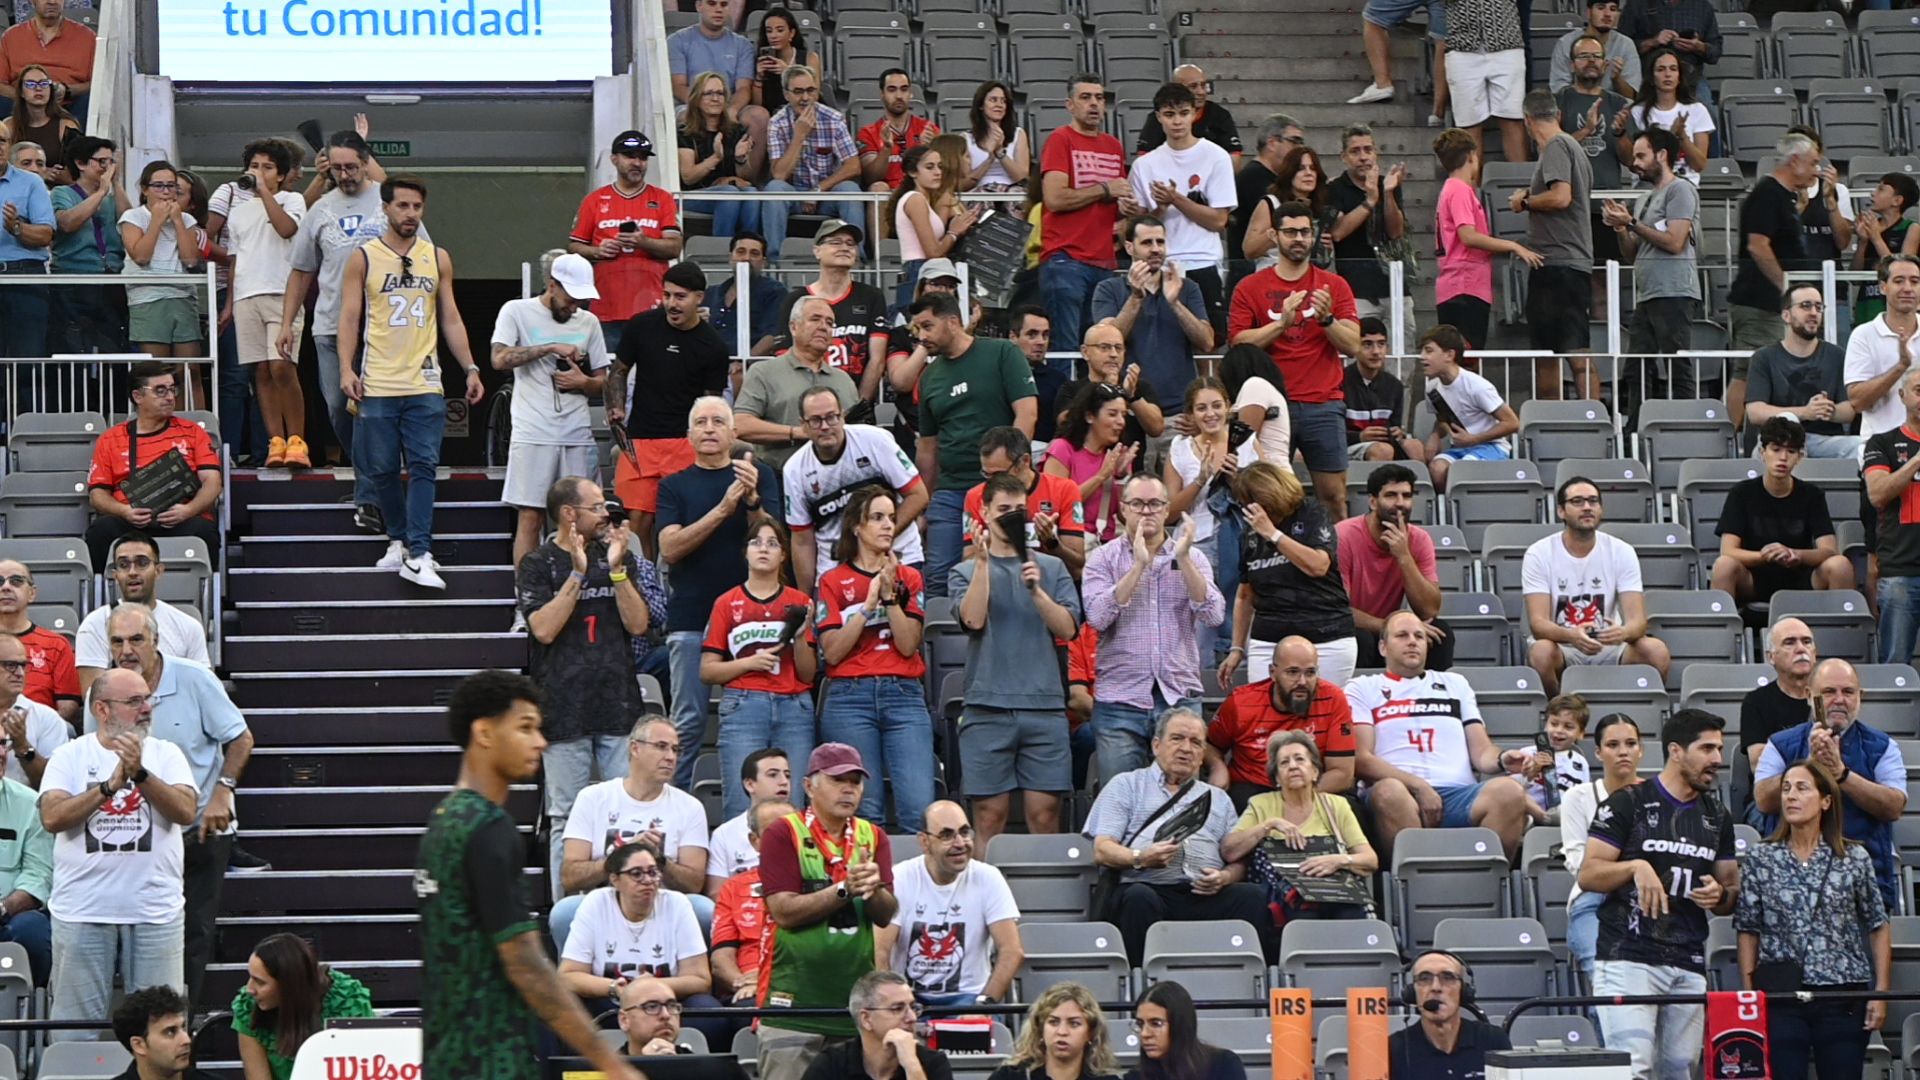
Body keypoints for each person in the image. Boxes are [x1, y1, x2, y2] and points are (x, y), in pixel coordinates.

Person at [415, 671, 644, 1080]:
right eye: (525, 728)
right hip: (491, 1057)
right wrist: (611, 1062)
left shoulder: (442, 822)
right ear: (484, 733)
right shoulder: (489, 828)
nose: (540, 741)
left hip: (444, 1055)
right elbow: (523, 962)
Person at [96, 603, 252, 1008]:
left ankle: (182, 1040)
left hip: (197, 830)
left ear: (156, 640)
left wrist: (224, 789)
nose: (127, 649)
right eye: (117, 641)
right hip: (134, 838)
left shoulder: (194, 679)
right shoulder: (105, 692)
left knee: (193, 938)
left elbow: (241, 738)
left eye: (136, 639)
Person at [336, 176, 482, 591]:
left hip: (424, 379)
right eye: (403, 206)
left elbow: (450, 316)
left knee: (423, 467)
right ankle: (398, 540)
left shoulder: (437, 257)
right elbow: (348, 317)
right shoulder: (363, 257)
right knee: (381, 469)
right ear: (385, 208)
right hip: (378, 378)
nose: (411, 214)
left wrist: (469, 366)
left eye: (417, 207)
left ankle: (420, 551)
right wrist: (346, 369)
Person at [1579, 708, 1739, 1080]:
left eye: (1719, 749)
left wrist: (1719, 894)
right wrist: (1635, 867)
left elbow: (1732, 891)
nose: (1717, 759)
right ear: (1675, 751)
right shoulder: (1627, 802)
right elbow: (1589, 873)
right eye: (1707, 749)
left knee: (1681, 1071)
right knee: (1633, 1069)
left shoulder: (1717, 815)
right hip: (1627, 955)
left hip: (1688, 958)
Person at [519, 476, 661, 885]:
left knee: (628, 808)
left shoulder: (614, 555)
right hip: (562, 705)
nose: (606, 514)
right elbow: (543, 630)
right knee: (566, 814)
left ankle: (626, 899)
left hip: (617, 701)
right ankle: (568, 918)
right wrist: (578, 576)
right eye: (596, 507)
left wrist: (616, 571)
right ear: (569, 514)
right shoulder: (537, 563)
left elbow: (638, 625)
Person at [39, 666, 196, 1034]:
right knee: (74, 1030)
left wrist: (140, 774)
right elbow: (53, 817)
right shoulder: (69, 755)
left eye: (147, 698)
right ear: (102, 710)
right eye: (134, 701)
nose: (147, 708)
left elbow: (185, 811)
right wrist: (109, 786)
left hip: (155, 912)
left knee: (161, 1031)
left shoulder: (166, 753)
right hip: (82, 912)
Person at [1736, 760, 1891, 1080]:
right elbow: (1748, 928)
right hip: (1781, 995)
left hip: (1843, 995)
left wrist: (1881, 991)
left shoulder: (1854, 858)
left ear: (1825, 801)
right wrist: (1749, 993)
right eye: (1786, 788)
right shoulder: (1761, 857)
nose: (1791, 796)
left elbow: (1877, 923)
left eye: (1802, 788)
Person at [655, 398, 781, 786]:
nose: (709, 429)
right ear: (689, 435)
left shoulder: (759, 474)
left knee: (757, 719)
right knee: (688, 722)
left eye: (718, 421)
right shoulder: (673, 485)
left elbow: (775, 538)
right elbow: (670, 548)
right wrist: (724, 508)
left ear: (734, 432)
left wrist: (753, 501)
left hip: (754, 617)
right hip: (692, 616)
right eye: (701, 422)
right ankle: (671, 814)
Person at [1084, 709, 1273, 965]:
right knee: (1138, 898)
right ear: (1156, 745)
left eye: (1196, 742)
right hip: (1149, 887)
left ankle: (1252, 983)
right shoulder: (1126, 785)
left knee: (1254, 896)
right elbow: (1102, 849)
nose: (1186, 748)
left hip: (1204, 893)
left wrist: (1225, 877)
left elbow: (1237, 860)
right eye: (1177, 738)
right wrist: (1140, 857)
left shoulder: (1218, 798)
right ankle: (1141, 986)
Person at [952, 473, 1082, 844]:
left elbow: (1068, 630)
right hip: (986, 705)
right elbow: (973, 620)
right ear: (984, 510)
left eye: (1019, 509)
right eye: (1003, 509)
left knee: (1045, 816)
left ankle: (1045, 900)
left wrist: (1038, 592)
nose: (1012, 516)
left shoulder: (1052, 568)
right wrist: (981, 565)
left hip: (1043, 706)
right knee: (989, 817)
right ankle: (983, 900)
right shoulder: (963, 571)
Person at [756, 745, 898, 1080]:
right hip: (792, 1004)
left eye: (856, 781)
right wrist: (845, 889)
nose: (849, 789)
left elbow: (885, 915)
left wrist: (874, 889)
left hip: (852, 1006)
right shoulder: (783, 832)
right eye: (838, 780)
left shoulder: (873, 835)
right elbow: (784, 912)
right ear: (809, 786)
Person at [1349, 611, 1536, 859]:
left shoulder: (1455, 683)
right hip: (1402, 794)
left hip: (1459, 794)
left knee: (1509, 791)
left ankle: (1485, 886)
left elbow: (1481, 752)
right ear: (1383, 647)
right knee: (1389, 792)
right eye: (1402, 635)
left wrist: (1503, 759)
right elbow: (1362, 759)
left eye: (1419, 636)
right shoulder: (1362, 687)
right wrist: (1419, 787)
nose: (1413, 641)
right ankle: (1416, 888)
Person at [279, 130, 391, 527]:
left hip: (382, 328)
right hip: (327, 324)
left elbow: (423, 257)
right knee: (337, 409)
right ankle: (376, 478)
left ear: (365, 163)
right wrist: (287, 322)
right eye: (337, 167)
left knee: (373, 413)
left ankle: (371, 493)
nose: (345, 174)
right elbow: (300, 271)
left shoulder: (389, 201)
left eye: (351, 166)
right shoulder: (321, 209)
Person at [1084, 475, 1224, 785]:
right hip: (1120, 700)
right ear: (1123, 510)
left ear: (1166, 510)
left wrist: (1184, 559)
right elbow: (1096, 618)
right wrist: (1137, 567)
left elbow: (1214, 615)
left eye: (1155, 504)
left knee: (1181, 799)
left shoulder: (1193, 555)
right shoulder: (1102, 559)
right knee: (1120, 799)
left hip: (1178, 697)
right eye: (1137, 504)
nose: (1146, 511)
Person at [1227, 200, 1361, 521]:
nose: (1298, 238)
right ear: (1274, 236)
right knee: (1266, 495)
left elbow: (1354, 344)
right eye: (1290, 232)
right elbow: (1238, 342)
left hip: (1323, 403)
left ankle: (1334, 565)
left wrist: (1327, 320)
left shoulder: (1335, 285)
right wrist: (1280, 325)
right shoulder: (1250, 287)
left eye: (1304, 231)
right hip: (1272, 406)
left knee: (1334, 495)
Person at [815, 486, 933, 831]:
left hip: (904, 694)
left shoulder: (909, 577)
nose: (887, 526)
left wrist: (890, 597)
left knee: (918, 809)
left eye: (891, 519)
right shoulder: (832, 580)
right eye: (877, 517)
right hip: (849, 696)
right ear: (857, 526)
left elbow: (909, 645)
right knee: (864, 814)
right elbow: (833, 651)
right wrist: (867, 607)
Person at [1753, 658, 1908, 912]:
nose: (1839, 700)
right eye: (1828, 692)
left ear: (1861, 696)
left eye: (1848, 692)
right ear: (1808, 695)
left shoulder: (1883, 746)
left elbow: (1894, 806)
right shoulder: (1780, 744)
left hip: (1863, 887)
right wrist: (1810, 767)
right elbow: (1763, 800)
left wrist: (1842, 775)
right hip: (1790, 886)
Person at [913, 292, 1039, 596]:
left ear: (953, 321)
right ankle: (939, 644)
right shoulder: (929, 377)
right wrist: (922, 503)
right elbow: (928, 448)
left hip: (999, 485)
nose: (921, 336)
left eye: (927, 326)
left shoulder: (1002, 353)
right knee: (939, 577)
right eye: (916, 329)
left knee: (1009, 571)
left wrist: (1011, 476)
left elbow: (1027, 413)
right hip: (951, 489)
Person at [609, 263, 736, 559]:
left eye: (680, 296)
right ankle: (643, 593)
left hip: (684, 442)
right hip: (640, 440)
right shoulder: (641, 326)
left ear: (699, 298)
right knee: (637, 524)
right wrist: (615, 408)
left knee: (686, 522)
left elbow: (711, 404)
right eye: (666, 295)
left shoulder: (713, 347)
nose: (671, 303)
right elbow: (618, 371)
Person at [494, 255, 613, 570]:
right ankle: (527, 600)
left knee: (582, 520)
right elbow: (499, 359)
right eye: (570, 298)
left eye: (580, 300)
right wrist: (549, 348)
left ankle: (581, 592)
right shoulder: (516, 311)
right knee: (530, 517)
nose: (574, 306)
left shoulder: (589, 322)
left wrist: (583, 381)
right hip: (532, 431)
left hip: (576, 431)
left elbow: (605, 382)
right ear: (551, 285)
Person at [553, 714, 712, 948]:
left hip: (663, 902)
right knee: (563, 913)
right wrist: (623, 856)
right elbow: (569, 876)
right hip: (606, 900)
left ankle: (694, 981)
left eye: (675, 750)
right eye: (661, 747)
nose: (670, 757)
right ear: (635, 748)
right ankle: (572, 982)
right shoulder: (593, 798)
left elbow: (695, 884)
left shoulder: (690, 807)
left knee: (704, 910)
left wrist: (659, 860)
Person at [701, 517, 819, 816]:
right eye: (756, 542)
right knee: (742, 805)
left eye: (772, 543)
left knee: (793, 805)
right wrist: (748, 663)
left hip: (794, 705)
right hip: (743, 705)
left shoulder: (799, 601)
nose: (763, 549)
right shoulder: (726, 603)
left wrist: (803, 633)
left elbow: (808, 673)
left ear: (783, 555)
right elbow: (708, 671)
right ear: (746, 552)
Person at [82, 363, 223, 602]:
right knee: (100, 531)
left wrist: (188, 510)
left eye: (172, 390)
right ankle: (106, 606)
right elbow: (97, 495)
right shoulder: (111, 439)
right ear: (137, 396)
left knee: (204, 531)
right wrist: (125, 511)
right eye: (160, 390)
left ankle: (204, 603)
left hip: (181, 519)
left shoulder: (193, 432)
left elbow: (213, 482)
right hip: (131, 522)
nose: (170, 397)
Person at [559, 841, 723, 1045]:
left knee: (709, 1011)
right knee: (559, 1007)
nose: (647, 880)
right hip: (612, 1003)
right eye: (636, 873)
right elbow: (568, 976)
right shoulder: (596, 903)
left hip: (666, 1006)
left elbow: (700, 979)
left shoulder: (677, 904)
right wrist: (616, 988)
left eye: (653, 872)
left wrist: (648, 988)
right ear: (615, 879)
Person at [1522, 476, 1672, 695]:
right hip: (1562, 646)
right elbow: (1538, 624)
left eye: (1593, 501)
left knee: (1655, 650)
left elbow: (1638, 622)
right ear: (1561, 511)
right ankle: (1559, 710)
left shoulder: (1621, 551)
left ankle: (1638, 711)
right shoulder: (1539, 553)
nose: (1586, 507)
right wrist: (1571, 635)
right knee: (1541, 652)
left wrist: (1622, 633)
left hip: (1610, 646)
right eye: (1577, 501)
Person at [1219, 461, 1358, 687]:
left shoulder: (1311, 512)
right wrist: (1236, 648)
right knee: (1266, 714)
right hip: (1269, 638)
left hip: (1326, 633)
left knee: (1324, 713)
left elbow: (1318, 566)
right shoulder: (1250, 533)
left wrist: (1273, 535)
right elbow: (1245, 594)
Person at [876, 800, 1023, 1005]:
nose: (960, 843)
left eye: (964, 832)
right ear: (925, 842)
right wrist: (897, 1005)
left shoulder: (988, 877)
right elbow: (879, 952)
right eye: (947, 835)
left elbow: (1011, 950)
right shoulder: (900, 878)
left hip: (971, 997)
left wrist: (984, 1004)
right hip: (911, 999)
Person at [1222, 729, 1376, 920]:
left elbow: (1370, 859)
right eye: (1284, 763)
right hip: (1286, 901)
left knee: (1351, 914)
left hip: (1335, 895)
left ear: (1314, 772)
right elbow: (1229, 851)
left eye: (1300, 759)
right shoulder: (1261, 804)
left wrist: (1339, 860)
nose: (1293, 766)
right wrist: (1269, 825)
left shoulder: (1336, 805)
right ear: (1277, 778)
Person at [218, 141, 308, 469]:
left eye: (267, 167)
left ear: (282, 175)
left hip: (281, 292)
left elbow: (287, 229)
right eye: (253, 166)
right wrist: (229, 303)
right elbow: (236, 260)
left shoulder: (292, 200)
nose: (258, 172)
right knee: (261, 371)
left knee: (282, 366)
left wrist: (265, 193)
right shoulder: (239, 213)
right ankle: (275, 442)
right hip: (246, 295)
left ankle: (297, 440)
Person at [785, 389, 927, 588]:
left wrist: (875, 540)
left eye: (832, 417)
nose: (825, 426)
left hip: (898, 556)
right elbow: (802, 541)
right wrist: (807, 599)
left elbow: (918, 495)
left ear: (842, 416)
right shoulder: (794, 469)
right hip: (836, 570)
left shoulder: (875, 441)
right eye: (816, 420)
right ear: (803, 425)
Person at [1127, 82, 1236, 337]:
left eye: (1183, 113)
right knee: (1160, 338)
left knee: (1210, 340)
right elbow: (1139, 226)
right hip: (1158, 263)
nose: (1177, 121)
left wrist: (1176, 199)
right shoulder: (1145, 165)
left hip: (1203, 259)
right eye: (1169, 114)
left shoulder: (1216, 156)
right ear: (1158, 117)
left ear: (1194, 114)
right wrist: (1160, 209)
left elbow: (1219, 220)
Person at [1710, 416, 1853, 606]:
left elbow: (1828, 550)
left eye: (1791, 451)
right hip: (1754, 578)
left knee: (1840, 565)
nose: (1783, 458)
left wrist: (1795, 554)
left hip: (1801, 576)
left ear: (1799, 457)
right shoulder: (1741, 493)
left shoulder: (1812, 495)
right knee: (1724, 565)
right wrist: (1765, 556)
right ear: (1762, 452)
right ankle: (1721, 631)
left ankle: (1843, 631)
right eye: (1776, 450)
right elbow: (1728, 551)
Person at [1604, 127, 1700, 406]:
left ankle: (1686, 426)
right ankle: (1637, 430)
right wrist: (1621, 228)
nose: (1635, 163)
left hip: (1675, 292)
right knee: (1636, 369)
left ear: (1662, 155)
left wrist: (1633, 223)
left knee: (1677, 367)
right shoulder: (1644, 197)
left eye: (1641, 156)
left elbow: (1675, 242)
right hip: (1648, 294)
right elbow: (1633, 254)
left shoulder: (1681, 189)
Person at [1040, 75, 1136, 348]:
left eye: (1099, 97)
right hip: (1065, 258)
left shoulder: (1113, 146)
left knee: (1101, 347)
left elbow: (1117, 199)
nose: (1094, 104)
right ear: (1070, 105)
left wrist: (1125, 208)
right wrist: (1105, 189)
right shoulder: (1060, 140)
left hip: (1104, 261)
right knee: (1067, 348)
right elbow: (1055, 198)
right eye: (1085, 97)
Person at [1513, 89, 1597, 401]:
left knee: (1550, 356)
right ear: (1558, 114)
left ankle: (1556, 421)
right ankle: (1590, 418)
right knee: (1576, 349)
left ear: (1526, 120)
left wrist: (1525, 202)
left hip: (1557, 263)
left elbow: (1561, 197)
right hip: (1571, 262)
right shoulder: (1572, 146)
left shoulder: (1556, 146)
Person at [1729, 136, 1819, 425]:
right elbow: (1758, 245)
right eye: (1813, 162)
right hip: (1760, 304)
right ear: (1795, 161)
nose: (1817, 170)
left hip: (1771, 305)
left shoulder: (1783, 196)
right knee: (1748, 372)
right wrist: (1787, 288)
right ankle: (1734, 437)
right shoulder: (1767, 194)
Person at [567, 130, 682, 352]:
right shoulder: (594, 200)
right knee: (609, 377)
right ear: (614, 159)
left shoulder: (662, 199)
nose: (637, 163)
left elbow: (675, 247)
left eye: (643, 157)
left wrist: (643, 242)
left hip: (653, 308)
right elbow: (573, 247)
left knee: (651, 377)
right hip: (606, 307)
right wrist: (597, 251)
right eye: (630, 156)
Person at [1208, 637, 1357, 808]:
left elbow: (1342, 773)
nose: (1302, 681)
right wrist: (1217, 766)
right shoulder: (1240, 702)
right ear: (1273, 672)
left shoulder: (1333, 698)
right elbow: (1210, 745)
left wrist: (1295, 799)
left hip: (1313, 787)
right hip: (1254, 789)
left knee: (1351, 810)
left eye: (1310, 673)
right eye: (1293, 672)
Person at [1432, 127, 1543, 351]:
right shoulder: (1460, 191)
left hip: (1456, 282)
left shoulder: (1450, 189)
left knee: (1458, 359)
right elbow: (1469, 236)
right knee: (1467, 359)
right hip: (1465, 284)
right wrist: (1513, 245)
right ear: (1472, 156)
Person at [1163, 377, 1253, 646]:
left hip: (1241, 542)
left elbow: (1268, 501)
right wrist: (1200, 480)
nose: (1210, 414)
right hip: (1194, 546)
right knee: (1195, 628)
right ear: (1191, 413)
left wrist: (1238, 480)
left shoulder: (1247, 443)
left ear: (1228, 407)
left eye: (1216, 406)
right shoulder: (1179, 448)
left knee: (1240, 620)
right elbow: (1168, 513)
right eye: (1201, 408)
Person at [1091, 217, 1214, 411]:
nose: (1156, 249)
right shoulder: (1108, 289)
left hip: (1180, 412)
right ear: (1130, 247)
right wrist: (1135, 297)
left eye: (1161, 242)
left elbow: (1207, 342)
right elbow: (1108, 340)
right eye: (1147, 243)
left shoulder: (1186, 287)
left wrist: (1175, 304)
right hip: (1128, 409)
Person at [1337, 463, 1450, 670]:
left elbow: (1429, 609)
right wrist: (1387, 626)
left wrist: (1404, 556)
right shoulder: (1344, 536)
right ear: (1372, 501)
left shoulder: (1419, 539)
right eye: (1391, 495)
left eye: (1406, 496)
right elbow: (1337, 609)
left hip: (1388, 631)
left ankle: (1431, 696)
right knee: (1361, 639)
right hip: (1351, 630)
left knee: (1438, 633)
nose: (1400, 503)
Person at [737, 293, 862, 477]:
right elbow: (740, 425)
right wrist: (798, 432)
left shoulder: (843, 380)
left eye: (829, 323)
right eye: (815, 319)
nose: (823, 327)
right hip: (779, 477)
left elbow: (855, 433)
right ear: (793, 327)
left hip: (836, 479)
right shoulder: (764, 372)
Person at [769, 219, 890, 407]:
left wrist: (859, 406)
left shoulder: (871, 296)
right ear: (817, 251)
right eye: (835, 242)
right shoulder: (794, 300)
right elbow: (784, 357)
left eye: (850, 244)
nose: (845, 247)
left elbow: (877, 360)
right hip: (806, 407)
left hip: (856, 403)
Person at [1561, 712, 1644, 979]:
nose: (1623, 752)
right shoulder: (1578, 796)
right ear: (1598, 753)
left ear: (1641, 750)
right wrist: (1626, 871)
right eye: (1613, 745)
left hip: (1647, 899)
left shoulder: (1657, 794)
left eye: (1631, 744)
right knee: (1606, 981)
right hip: (1594, 900)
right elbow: (1576, 860)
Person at [74, 534, 209, 697]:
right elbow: (94, 700)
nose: (132, 572)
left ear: (158, 571)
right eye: (123, 565)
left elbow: (203, 690)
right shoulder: (93, 625)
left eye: (142, 563)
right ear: (115, 575)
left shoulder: (188, 626)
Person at [231, 933, 374, 1080]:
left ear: (289, 986)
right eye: (250, 977)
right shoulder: (248, 1006)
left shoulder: (346, 999)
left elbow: (366, 1068)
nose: (250, 989)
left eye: (260, 982)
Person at [1743, 292, 1859, 463]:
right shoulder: (1764, 357)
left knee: (1862, 446)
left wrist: (1828, 410)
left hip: (1824, 442)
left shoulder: (1837, 355)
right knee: (1788, 420)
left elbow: (1849, 411)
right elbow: (1755, 412)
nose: (1813, 312)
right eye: (1805, 306)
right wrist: (1805, 412)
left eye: (1818, 307)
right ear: (1786, 315)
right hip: (1779, 442)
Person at [763, 67, 864, 255]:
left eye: (810, 90)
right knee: (774, 189)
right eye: (798, 91)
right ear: (786, 95)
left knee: (850, 190)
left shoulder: (833, 118)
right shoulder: (777, 122)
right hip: (793, 193)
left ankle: (858, 258)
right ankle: (774, 261)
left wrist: (819, 189)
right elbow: (779, 174)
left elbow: (853, 165)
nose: (805, 98)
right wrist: (799, 136)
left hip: (826, 192)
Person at [965, 426, 1087, 577]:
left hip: (1050, 580)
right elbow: (967, 562)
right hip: (998, 580)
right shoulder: (975, 496)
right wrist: (991, 542)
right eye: (986, 474)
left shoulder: (1064, 489)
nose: (992, 482)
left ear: (1025, 461)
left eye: (999, 474)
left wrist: (1051, 542)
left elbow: (1078, 563)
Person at [118, 160, 204, 374]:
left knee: (190, 371)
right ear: (145, 189)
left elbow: (191, 260)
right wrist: (156, 221)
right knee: (157, 371)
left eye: (171, 185)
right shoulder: (133, 216)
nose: (166, 192)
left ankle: (194, 410)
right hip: (148, 297)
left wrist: (177, 222)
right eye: (159, 186)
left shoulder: (187, 219)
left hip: (182, 296)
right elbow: (140, 256)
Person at [47, 135, 129, 355]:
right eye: (101, 161)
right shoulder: (62, 193)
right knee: (72, 342)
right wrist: (101, 191)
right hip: (74, 277)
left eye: (110, 162)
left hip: (110, 277)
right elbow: (68, 223)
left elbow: (129, 219)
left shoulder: (112, 199)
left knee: (112, 341)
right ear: (80, 163)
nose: (106, 167)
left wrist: (116, 184)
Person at [1324, 125, 1410, 334]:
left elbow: (1395, 231)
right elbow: (1338, 232)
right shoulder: (1334, 189)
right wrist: (1370, 201)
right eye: (1355, 151)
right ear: (1343, 157)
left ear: (1376, 153)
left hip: (1395, 286)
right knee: (1359, 352)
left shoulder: (1387, 184)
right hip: (1356, 289)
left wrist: (1387, 194)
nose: (1363, 157)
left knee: (1402, 357)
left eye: (1368, 150)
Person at [1862, 368, 1920, 664]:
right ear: (1902, 396)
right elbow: (1877, 494)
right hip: (1901, 571)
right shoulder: (1881, 443)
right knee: (1895, 665)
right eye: (1919, 390)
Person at [798, 970, 952, 1080]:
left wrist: (912, 1065)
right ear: (866, 1019)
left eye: (913, 1007)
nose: (911, 1017)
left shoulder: (931, 1062)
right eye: (897, 1009)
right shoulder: (832, 1063)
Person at [712, 799, 793, 1005]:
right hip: (746, 986)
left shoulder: (822, 882)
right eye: (774, 833)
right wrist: (743, 983)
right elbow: (721, 959)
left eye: (791, 830)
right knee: (748, 1008)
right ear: (754, 841)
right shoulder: (734, 888)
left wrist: (768, 980)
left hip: (799, 984)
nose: (785, 839)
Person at [1422, 323, 1519, 494]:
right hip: (1460, 448)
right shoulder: (1432, 388)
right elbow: (1443, 419)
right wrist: (1435, 436)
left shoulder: (1477, 386)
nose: (1422, 357)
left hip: (1492, 447)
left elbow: (1512, 423)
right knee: (1437, 469)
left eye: (1429, 351)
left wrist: (1474, 439)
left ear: (1449, 355)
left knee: (1461, 470)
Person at [1387, 950, 1512, 1079]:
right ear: (1412, 993)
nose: (1435, 987)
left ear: (1463, 991)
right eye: (1424, 979)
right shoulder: (1394, 1048)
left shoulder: (1493, 1040)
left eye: (1447, 978)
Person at [888, 145, 976, 311]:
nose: (937, 172)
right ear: (913, 172)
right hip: (918, 270)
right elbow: (933, 252)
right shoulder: (915, 199)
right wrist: (953, 232)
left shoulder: (923, 200)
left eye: (940, 166)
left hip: (922, 269)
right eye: (930, 167)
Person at [1441, 0, 1528, 166]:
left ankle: (1521, 186)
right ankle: (1470, 191)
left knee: (1513, 120)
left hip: (1507, 42)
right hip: (1462, 46)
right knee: (1469, 126)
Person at [1848, 254, 1920, 444]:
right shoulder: (1863, 335)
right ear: (1882, 287)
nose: (1907, 288)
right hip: (1880, 451)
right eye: (1898, 281)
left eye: (1914, 281)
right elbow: (1857, 402)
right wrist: (1901, 366)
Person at [0, 102, 52, 363]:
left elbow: (45, 235)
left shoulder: (31, 182)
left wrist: (17, 228)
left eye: (2, 140)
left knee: (27, 362)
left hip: (24, 276)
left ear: (9, 146)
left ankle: (26, 407)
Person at [680, 71, 758, 241]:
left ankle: (748, 250)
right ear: (696, 98)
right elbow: (688, 177)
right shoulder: (685, 133)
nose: (715, 98)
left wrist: (740, 159)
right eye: (709, 93)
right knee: (728, 194)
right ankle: (721, 253)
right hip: (692, 195)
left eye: (720, 93)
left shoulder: (736, 131)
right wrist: (715, 158)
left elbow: (748, 178)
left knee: (752, 194)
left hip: (730, 190)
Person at [987, 982, 1123, 1080]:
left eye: (1074, 1023)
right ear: (1040, 1028)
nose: (1062, 1031)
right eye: (1053, 1022)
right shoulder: (1010, 1076)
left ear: (1090, 1032)